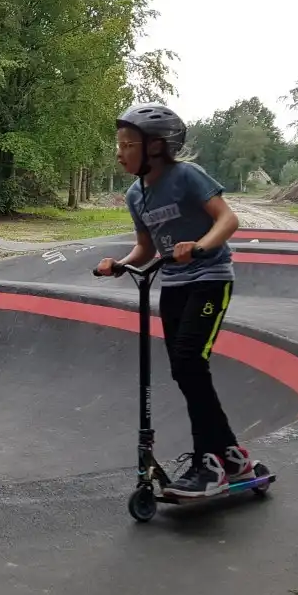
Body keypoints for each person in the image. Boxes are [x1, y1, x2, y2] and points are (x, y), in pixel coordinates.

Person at [94, 102, 255, 498]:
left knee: (188, 361)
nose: (119, 152)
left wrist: (199, 246)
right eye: (119, 144)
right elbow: (145, 247)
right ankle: (231, 454)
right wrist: (120, 264)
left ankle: (209, 464)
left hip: (210, 278)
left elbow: (228, 220)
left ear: (154, 147)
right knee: (186, 370)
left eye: (127, 144)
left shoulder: (187, 177)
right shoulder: (136, 195)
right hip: (174, 285)